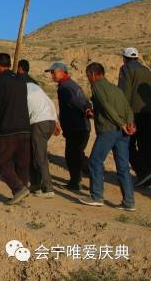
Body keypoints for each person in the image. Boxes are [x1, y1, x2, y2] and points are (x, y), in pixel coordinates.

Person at [80, 62, 136, 211]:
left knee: (94, 161)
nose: (89, 79)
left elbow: (106, 106)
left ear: (92, 75)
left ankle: (96, 196)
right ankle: (129, 202)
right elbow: (127, 108)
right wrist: (129, 123)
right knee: (123, 167)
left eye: (88, 76)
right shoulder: (116, 89)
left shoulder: (97, 86)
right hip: (122, 133)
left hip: (109, 130)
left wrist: (120, 123)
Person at [0, 53, 31, 205]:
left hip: (9, 127)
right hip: (25, 126)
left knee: (1, 160)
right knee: (22, 162)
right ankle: (22, 192)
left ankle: (18, 189)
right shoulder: (21, 79)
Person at [45, 62, 91, 192]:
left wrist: (87, 109)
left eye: (54, 72)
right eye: (51, 72)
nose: (52, 75)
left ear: (62, 71)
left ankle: (84, 178)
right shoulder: (67, 85)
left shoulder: (66, 86)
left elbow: (80, 102)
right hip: (76, 126)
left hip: (77, 127)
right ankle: (81, 179)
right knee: (76, 154)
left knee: (73, 155)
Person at [117, 47, 151, 187]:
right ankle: (148, 173)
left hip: (133, 114)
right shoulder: (146, 70)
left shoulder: (125, 69)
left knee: (127, 144)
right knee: (146, 144)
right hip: (148, 113)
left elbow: (124, 92)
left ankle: (142, 173)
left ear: (124, 58)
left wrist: (123, 113)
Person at [26, 81, 59, 198]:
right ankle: (35, 185)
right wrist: (55, 121)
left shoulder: (25, 91)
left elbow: (25, 112)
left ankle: (48, 188)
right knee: (35, 152)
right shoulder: (36, 89)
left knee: (40, 156)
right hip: (50, 121)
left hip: (39, 123)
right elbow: (51, 103)